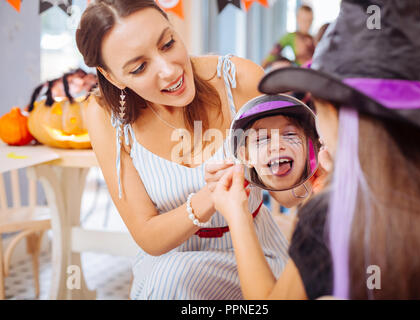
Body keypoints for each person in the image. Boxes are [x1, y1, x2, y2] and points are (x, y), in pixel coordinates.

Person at [212, 0, 420, 299]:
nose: (318, 132)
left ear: (340, 116)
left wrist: (236, 213)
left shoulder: (332, 217)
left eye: (320, 112)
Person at [75, 0, 289, 300]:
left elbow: (291, 192)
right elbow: (148, 236)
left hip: (256, 254)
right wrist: (210, 197)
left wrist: (285, 167)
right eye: (139, 67)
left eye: (168, 43)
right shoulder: (103, 114)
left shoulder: (239, 78)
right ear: (111, 76)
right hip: (167, 268)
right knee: (171, 279)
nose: (169, 70)